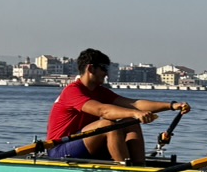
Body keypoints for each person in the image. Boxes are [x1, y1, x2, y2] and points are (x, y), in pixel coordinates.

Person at [46, 48, 190, 163]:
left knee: (130, 123)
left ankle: (140, 168)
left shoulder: (101, 92)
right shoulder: (72, 91)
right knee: (107, 125)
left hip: (85, 144)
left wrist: (172, 106)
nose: (106, 73)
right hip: (60, 149)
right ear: (91, 69)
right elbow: (103, 111)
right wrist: (135, 113)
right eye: (104, 68)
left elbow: (135, 104)